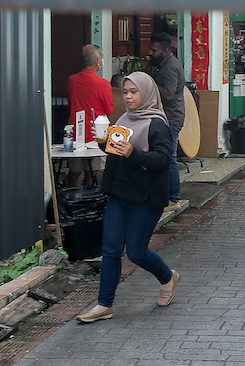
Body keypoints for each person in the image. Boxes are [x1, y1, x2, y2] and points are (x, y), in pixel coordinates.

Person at [76, 72, 179, 323]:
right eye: (125, 92)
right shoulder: (123, 118)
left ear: (147, 92)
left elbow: (163, 160)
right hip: (120, 192)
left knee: (136, 252)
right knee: (110, 250)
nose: (129, 97)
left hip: (145, 196)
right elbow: (116, 151)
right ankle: (104, 305)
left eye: (134, 92)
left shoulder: (156, 124)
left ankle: (167, 277)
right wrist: (103, 141)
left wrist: (134, 153)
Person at [65, 44, 114, 186]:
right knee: (91, 172)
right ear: (97, 62)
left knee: (74, 171)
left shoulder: (71, 80)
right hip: (96, 133)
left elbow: (70, 103)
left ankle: (68, 197)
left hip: (75, 131)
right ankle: (87, 201)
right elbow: (109, 110)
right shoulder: (103, 84)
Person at [148, 32, 185, 212]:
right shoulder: (163, 65)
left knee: (169, 158)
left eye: (154, 50)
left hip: (171, 118)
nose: (150, 53)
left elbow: (169, 95)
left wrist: (150, 83)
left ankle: (173, 199)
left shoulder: (169, 67)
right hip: (165, 118)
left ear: (164, 50)